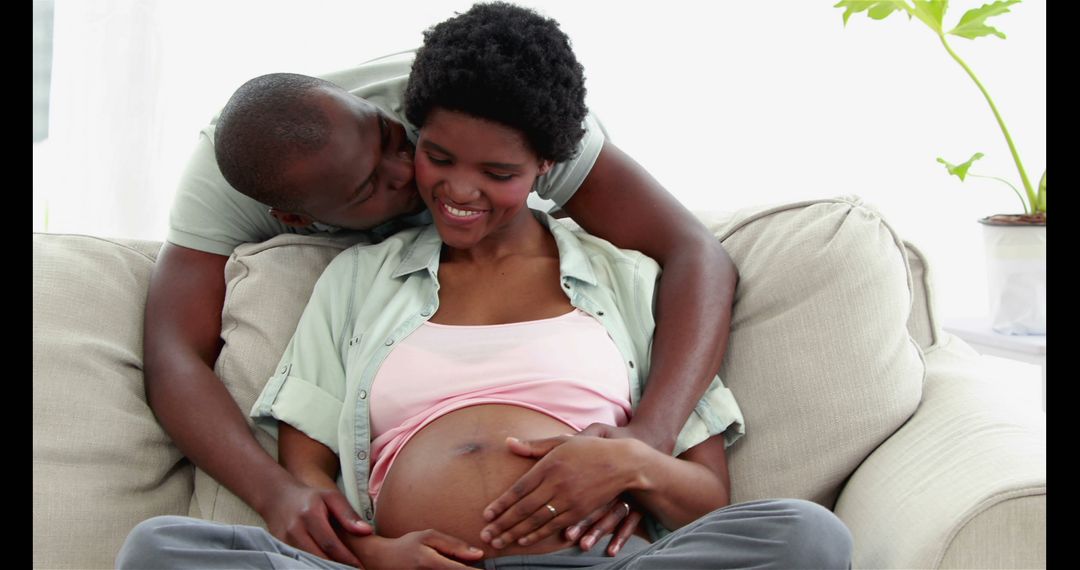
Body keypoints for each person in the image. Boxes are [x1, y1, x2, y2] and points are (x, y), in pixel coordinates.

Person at [118, 4, 853, 569]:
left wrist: (634, 452)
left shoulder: (626, 276)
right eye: (434, 158)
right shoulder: (351, 277)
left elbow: (704, 494)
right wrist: (368, 550)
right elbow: (263, 434)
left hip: (595, 561)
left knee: (805, 533)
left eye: (496, 173)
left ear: (548, 168)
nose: (432, 182)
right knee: (160, 549)